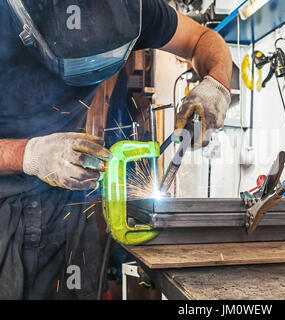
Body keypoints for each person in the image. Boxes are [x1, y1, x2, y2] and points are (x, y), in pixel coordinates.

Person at [0, 0, 232, 299]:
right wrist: (27, 155)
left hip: (64, 204)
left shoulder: (134, 9)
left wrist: (216, 85)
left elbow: (203, 40)